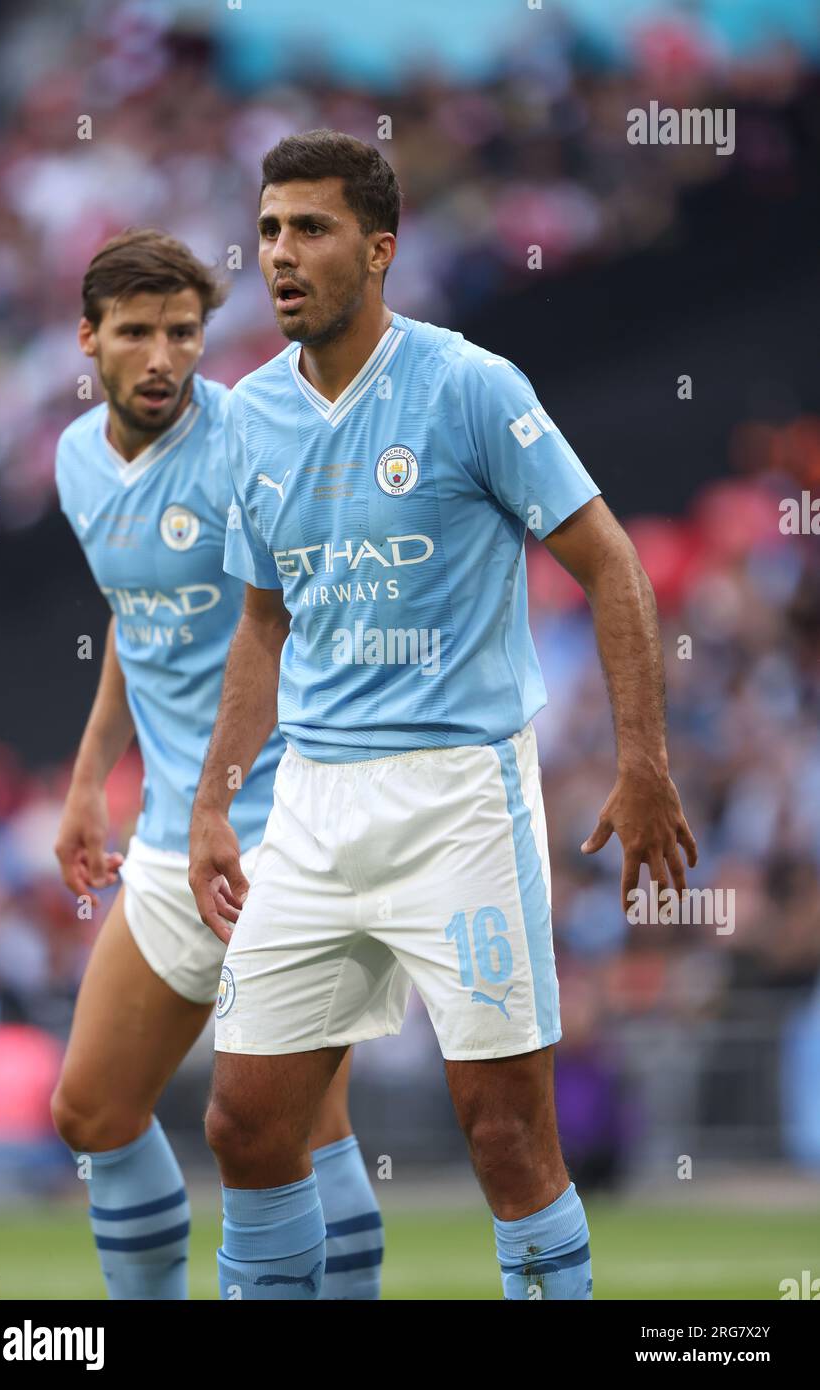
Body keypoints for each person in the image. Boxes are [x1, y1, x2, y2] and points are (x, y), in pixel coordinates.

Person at [189, 130, 697, 1301]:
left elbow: (613, 566)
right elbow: (262, 625)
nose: (280, 254)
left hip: (458, 794)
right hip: (312, 805)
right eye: (267, 230)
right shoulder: (251, 416)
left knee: (508, 1139)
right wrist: (216, 799)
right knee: (244, 1123)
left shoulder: (470, 386)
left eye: (309, 229)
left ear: (379, 251)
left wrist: (643, 759)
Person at [51, 229, 385, 1300]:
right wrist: (87, 777)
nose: (161, 357)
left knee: (276, 1126)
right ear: (89, 338)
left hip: (284, 827)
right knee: (96, 1111)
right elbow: (134, 621)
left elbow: (308, 613)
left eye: (183, 333)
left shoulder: (250, 439)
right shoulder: (72, 460)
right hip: (162, 835)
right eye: (138, 333)